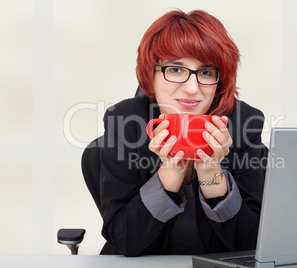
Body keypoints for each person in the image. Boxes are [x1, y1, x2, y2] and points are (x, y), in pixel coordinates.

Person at [99, 9, 268, 257]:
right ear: (151, 73)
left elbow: (252, 245)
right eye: (175, 70)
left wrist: (211, 174)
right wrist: (169, 173)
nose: (191, 88)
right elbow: (125, 242)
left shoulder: (245, 124)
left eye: (206, 72)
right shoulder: (125, 122)